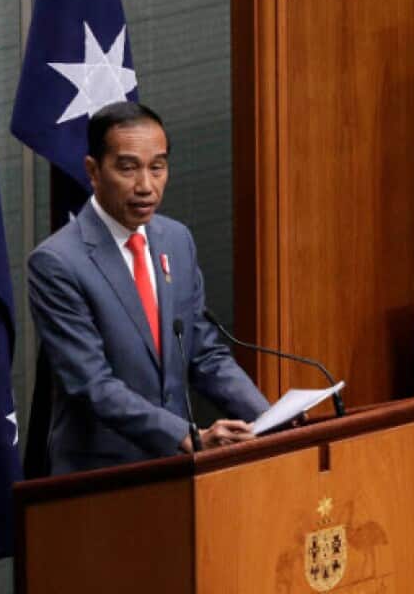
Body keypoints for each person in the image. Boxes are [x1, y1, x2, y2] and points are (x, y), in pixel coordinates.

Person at [27, 101, 270, 475]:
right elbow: (91, 384)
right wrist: (185, 435)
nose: (146, 186)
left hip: (177, 470)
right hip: (102, 477)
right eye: (128, 168)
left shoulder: (176, 240)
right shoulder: (58, 262)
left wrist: (268, 419)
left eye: (157, 167)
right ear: (93, 171)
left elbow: (204, 354)